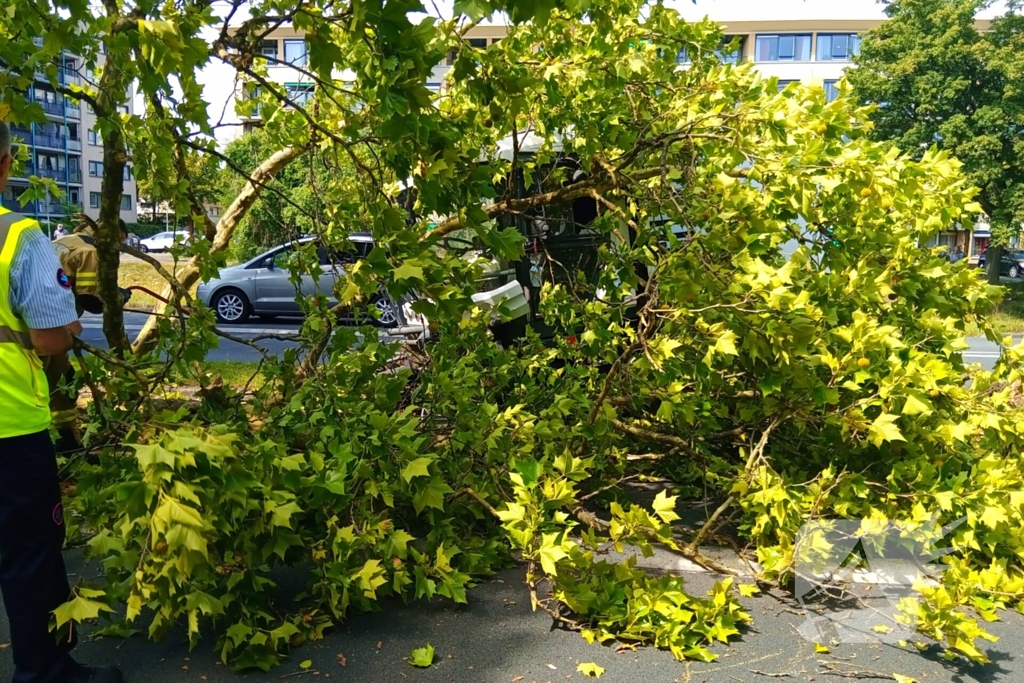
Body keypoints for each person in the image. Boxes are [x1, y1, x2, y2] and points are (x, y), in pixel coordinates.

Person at [0, 122, 124, 682]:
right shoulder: (18, 236)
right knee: (30, 553)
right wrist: (70, 325)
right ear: (6, 164)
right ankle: (46, 672)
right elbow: (51, 339)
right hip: (9, 431)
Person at [47, 219, 132, 454]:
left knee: (52, 380)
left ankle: (62, 441)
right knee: (63, 382)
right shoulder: (90, 251)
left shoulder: (65, 241)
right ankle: (63, 444)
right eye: (119, 243)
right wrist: (118, 296)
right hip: (51, 325)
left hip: (34, 318)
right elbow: (91, 300)